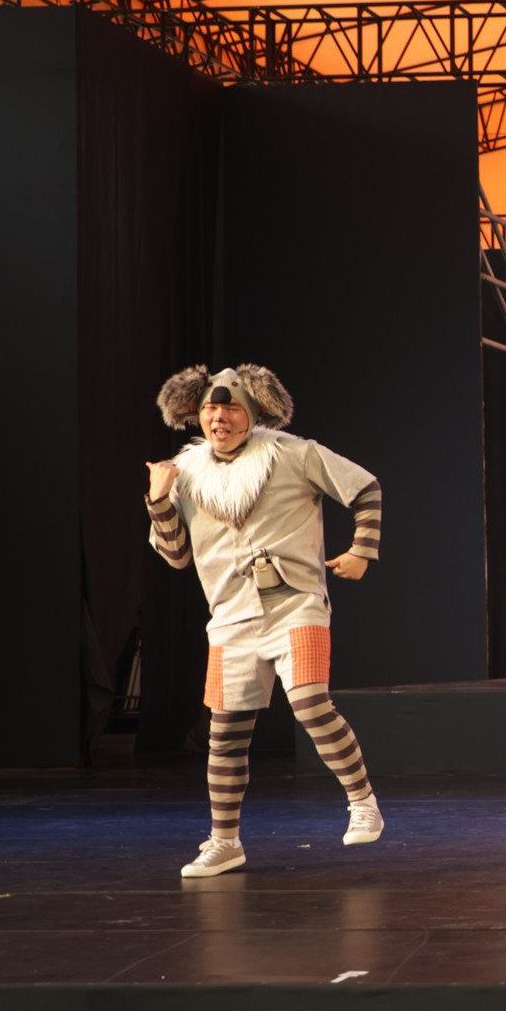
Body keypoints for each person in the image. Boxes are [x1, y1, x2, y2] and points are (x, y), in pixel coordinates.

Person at [145, 364, 385, 878]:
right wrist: (159, 500)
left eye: (231, 408)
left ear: (253, 413)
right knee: (225, 732)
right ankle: (224, 841)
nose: (220, 417)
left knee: (310, 703)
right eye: (211, 409)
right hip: (230, 617)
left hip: (295, 604)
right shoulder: (185, 474)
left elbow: (365, 488)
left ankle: (362, 801)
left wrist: (362, 550)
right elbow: (176, 556)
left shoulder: (293, 454)